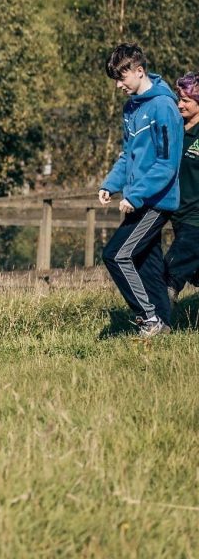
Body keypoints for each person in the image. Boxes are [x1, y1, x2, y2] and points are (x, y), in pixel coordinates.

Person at [98, 44, 182, 338]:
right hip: (139, 199)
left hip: (156, 201)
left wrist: (136, 195)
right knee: (147, 262)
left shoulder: (164, 107)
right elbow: (127, 155)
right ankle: (163, 325)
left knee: (117, 255)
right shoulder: (131, 108)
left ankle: (149, 319)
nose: (119, 85)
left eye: (122, 78)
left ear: (139, 71)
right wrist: (111, 184)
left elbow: (167, 163)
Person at [165, 72, 199, 307]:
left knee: (171, 269)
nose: (180, 104)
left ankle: (157, 320)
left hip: (196, 218)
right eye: (179, 98)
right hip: (178, 213)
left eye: (186, 100)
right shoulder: (175, 129)